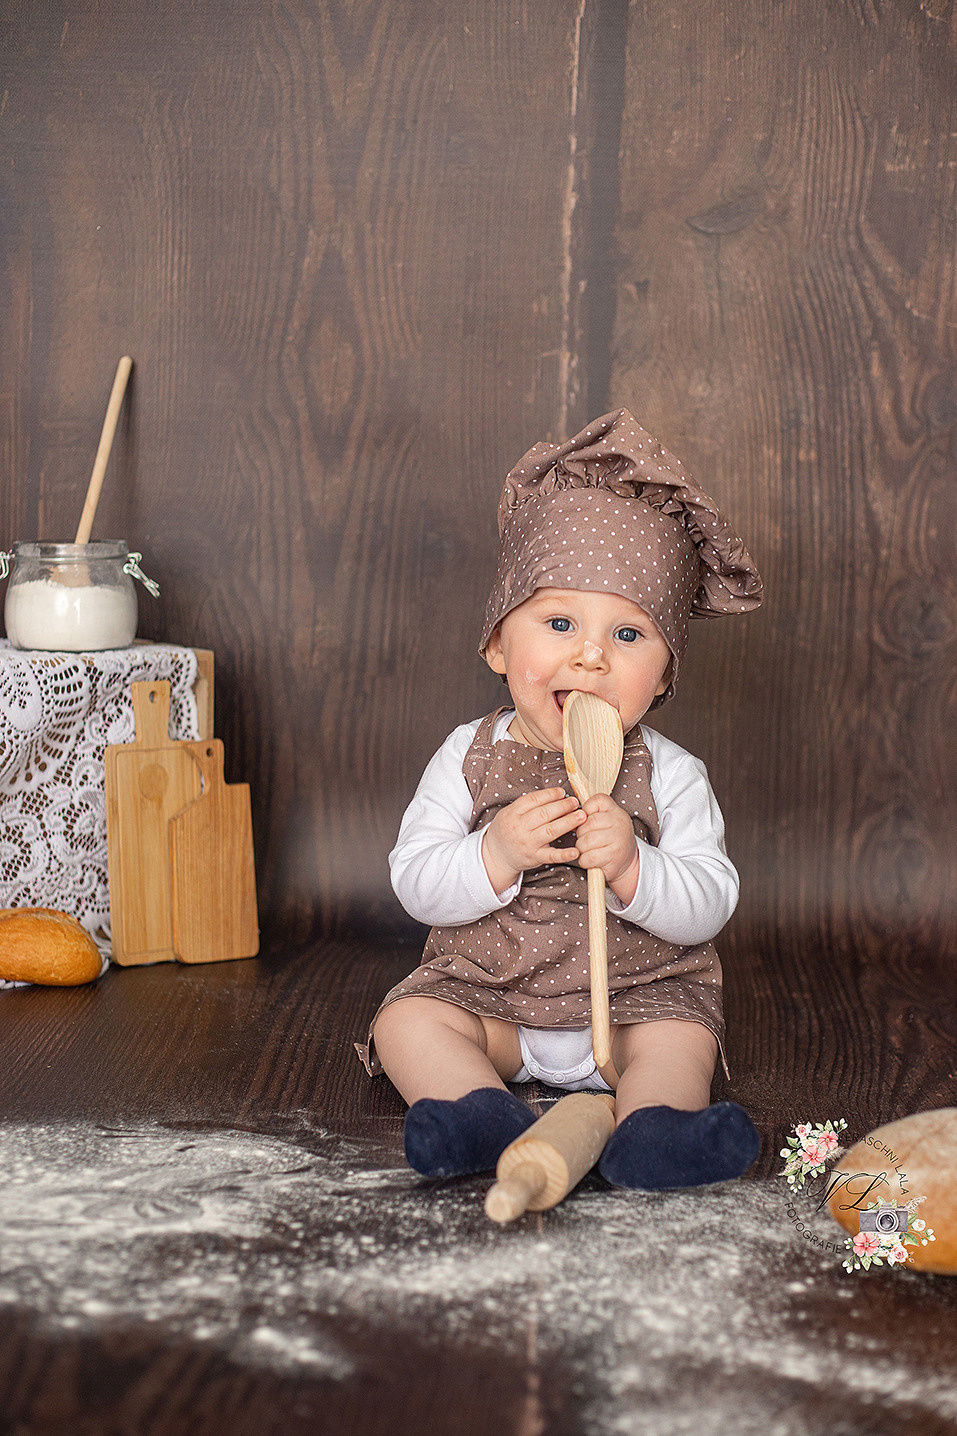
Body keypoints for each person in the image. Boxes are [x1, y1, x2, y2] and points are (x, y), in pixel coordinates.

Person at [356, 408, 764, 1190]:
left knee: (680, 1040)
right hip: (491, 998)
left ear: (664, 675)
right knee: (408, 1019)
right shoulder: (468, 756)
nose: (590, 655)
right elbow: (415, 881)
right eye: (559, 621)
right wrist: (494, 853)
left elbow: (710, 902)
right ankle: (476, 1113)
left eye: (628, 635)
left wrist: (634, 867)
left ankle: (656, 1132)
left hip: (636, 1002)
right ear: (497, 644)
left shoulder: (672, 772)